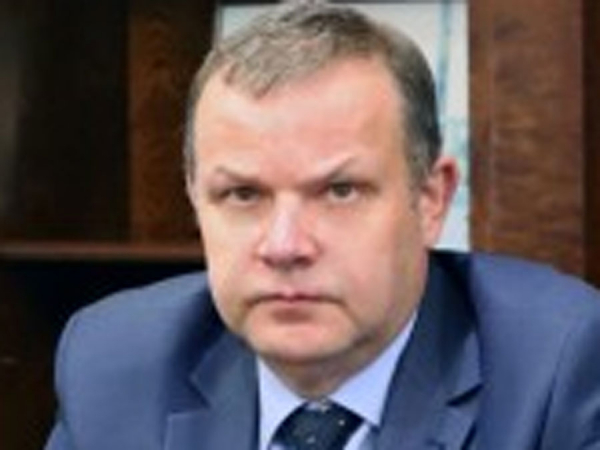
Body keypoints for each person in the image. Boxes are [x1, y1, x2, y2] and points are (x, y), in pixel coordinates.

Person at [45, 1, 600, 449]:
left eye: (339, 191)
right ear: (195, 202)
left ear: (431, 199)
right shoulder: (116, 364)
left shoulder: (557, 369)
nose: (285, 246)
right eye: (243, 195)